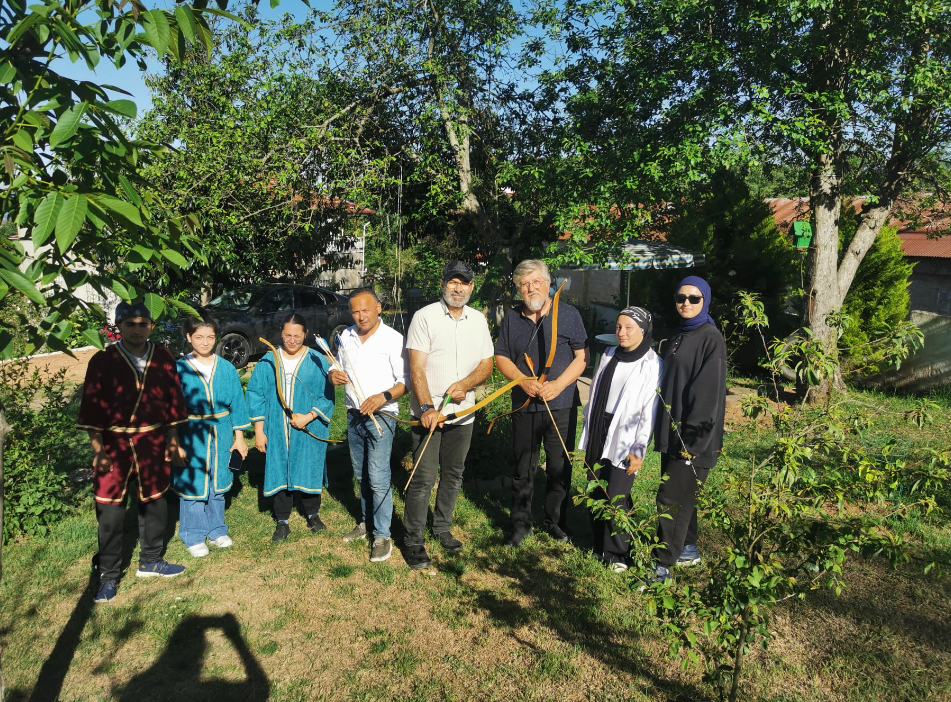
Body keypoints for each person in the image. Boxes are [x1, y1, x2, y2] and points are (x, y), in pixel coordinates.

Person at [78, 301, 189, 603]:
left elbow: (173, 401)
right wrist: (98, 450)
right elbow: (91, 406)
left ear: (151, 326)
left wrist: (173, 440)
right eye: (130, 324)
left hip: (152, 440)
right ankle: (109, 575)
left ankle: (150, 560)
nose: (137, 330)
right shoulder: (103, 360)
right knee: (111, 511)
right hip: (114, 443)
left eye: (143, 324)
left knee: (155, 502)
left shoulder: (163, 357)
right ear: (119, 327)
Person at [402, 261, 494, 569]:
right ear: (443, 284)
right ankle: (413, 540)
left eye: (464, 283)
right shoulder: (424, 317)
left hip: (463, 414)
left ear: (471, 287)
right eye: (453, 282)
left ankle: (441, 528)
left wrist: (466, 384)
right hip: (429, 416)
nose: (458, 288)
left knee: (453, 475)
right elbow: (416, 368)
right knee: (423, 478)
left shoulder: (479, 320)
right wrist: (427, 408)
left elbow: (486, 365)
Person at [494, 259, 588, 547]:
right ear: (518, 289)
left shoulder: (568, 314)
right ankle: (520, 524)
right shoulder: (512, 318)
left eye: (536, 282)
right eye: (524, 284)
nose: (531, 288)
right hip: (525, 404)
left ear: (548, 284)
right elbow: (502, 358)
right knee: (524, 465)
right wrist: (523, 381)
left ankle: (556, 521)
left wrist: (559, 385)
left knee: (560, 465)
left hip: (561, 404)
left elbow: (581, 359)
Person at [650, 276, 727, 584]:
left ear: (705, 301)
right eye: (681, 297)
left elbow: (707, 395)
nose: (686, 303)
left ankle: (661, 565)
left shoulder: (710, 337)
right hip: (673, 433)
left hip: (692, 439)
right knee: (685, 496)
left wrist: (692, 444)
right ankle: (688, 550)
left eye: (694, 299)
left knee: (670, 498)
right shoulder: (680, 334)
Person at [578, 307, 662, 572]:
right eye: (618, 327)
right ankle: (598, 543)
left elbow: (650, 410)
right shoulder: (609, 354)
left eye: (629, 328)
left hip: (626, 433)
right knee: (596, 486)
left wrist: (639, 449)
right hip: (600, 426)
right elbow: (594, 393)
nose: (622, 333)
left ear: (643, 330)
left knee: (617, 493)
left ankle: (617, 553)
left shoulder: (652, 363)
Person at [329, 288, 407, 563]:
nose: (361, 316)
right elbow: (336, 365)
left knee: (377, 476)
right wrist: (334, 374)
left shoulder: (393, 338)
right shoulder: (346, 336)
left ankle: (382, 535)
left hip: (381, 415)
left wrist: (382, 397)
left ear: (378, 308)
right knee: (361, 475)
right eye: (355, 311)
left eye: (366, 310)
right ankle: (366, 521)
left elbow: (404, 382)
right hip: (354, 414)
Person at [247, 312, 336, 543]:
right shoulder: (269, 360)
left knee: (309, 466)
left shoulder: (318, 360)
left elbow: (326, 397)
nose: (292, 340)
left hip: (308, 427)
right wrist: (259, 431)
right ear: (281, 333)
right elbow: (256, 395)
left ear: (305, 334)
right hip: (276, 429)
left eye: (297, 335)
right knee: (279, 467)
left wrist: (307, 417)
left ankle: (312, 513)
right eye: (288, 335)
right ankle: (282, 520)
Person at [173, 316, 251, 558]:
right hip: (191, 433)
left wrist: (240, 438)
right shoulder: (178, 369)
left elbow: (237, 403)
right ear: (188, 338)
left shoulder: (226, 367)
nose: (205, 342)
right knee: (194, 484)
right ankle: (193, 534)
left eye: (210, 337)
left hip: (223, 430)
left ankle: (217, 529)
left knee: (219, 481)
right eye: (199, 337)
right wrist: (174, 442)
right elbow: (171, 408)